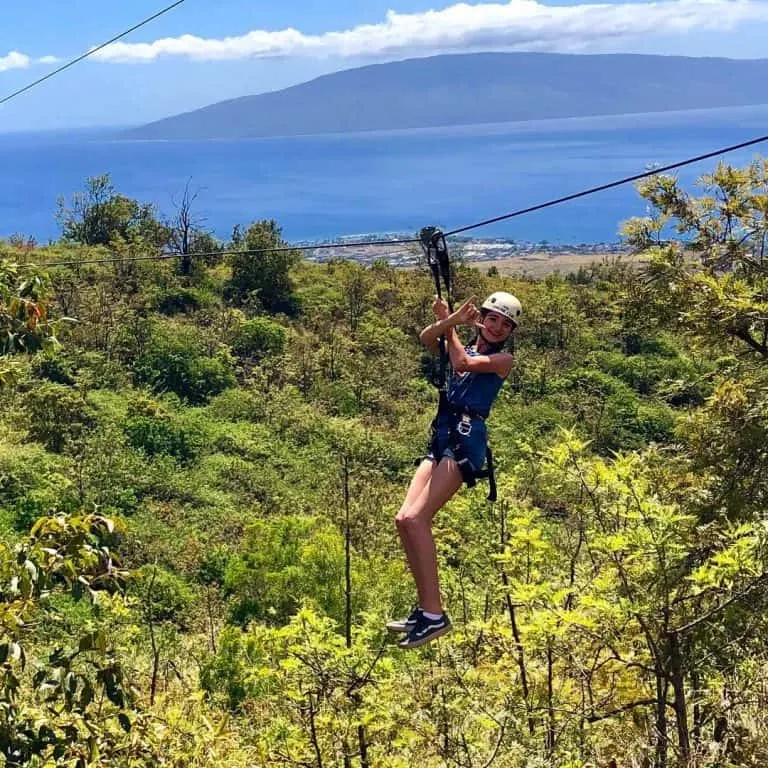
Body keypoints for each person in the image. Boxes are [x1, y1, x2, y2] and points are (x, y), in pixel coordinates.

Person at [389, 291, 521, 649]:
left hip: (465, 441)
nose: (496, 327)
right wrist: (448, 321)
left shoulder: (502, 360)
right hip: (442, 437)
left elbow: (461, 363)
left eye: (504, 324)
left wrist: (452, 327)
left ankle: (435, 614)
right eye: (492, 318)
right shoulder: (462, 342)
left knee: (418, 519)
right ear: (482, 318)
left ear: (509, 332)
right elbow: (426, 338)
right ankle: (425, 608)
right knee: (404, 519)